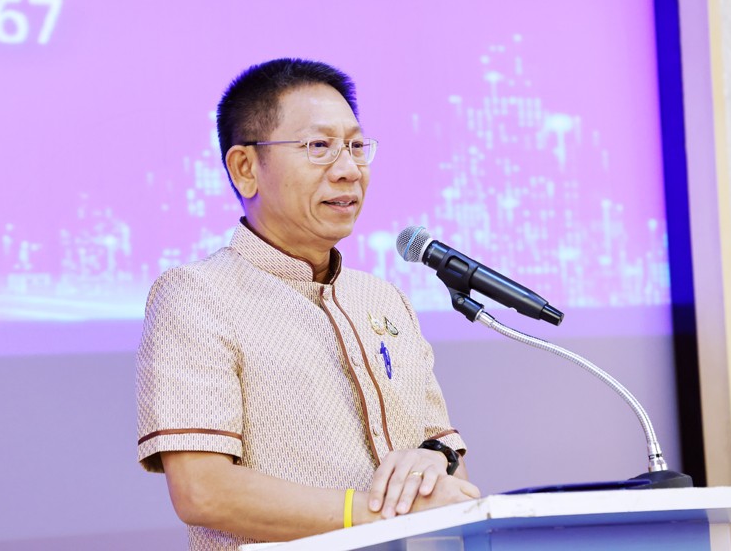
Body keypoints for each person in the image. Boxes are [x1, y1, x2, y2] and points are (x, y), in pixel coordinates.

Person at [136, 58, 480, 550]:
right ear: (245, 168)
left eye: (356, 146)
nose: (349, 170)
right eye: (319, 147)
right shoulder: (197, 295)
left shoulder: (382, 298)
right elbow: (203, 491)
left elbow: (450, 467)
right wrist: (381, 514)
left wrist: (434, 459)